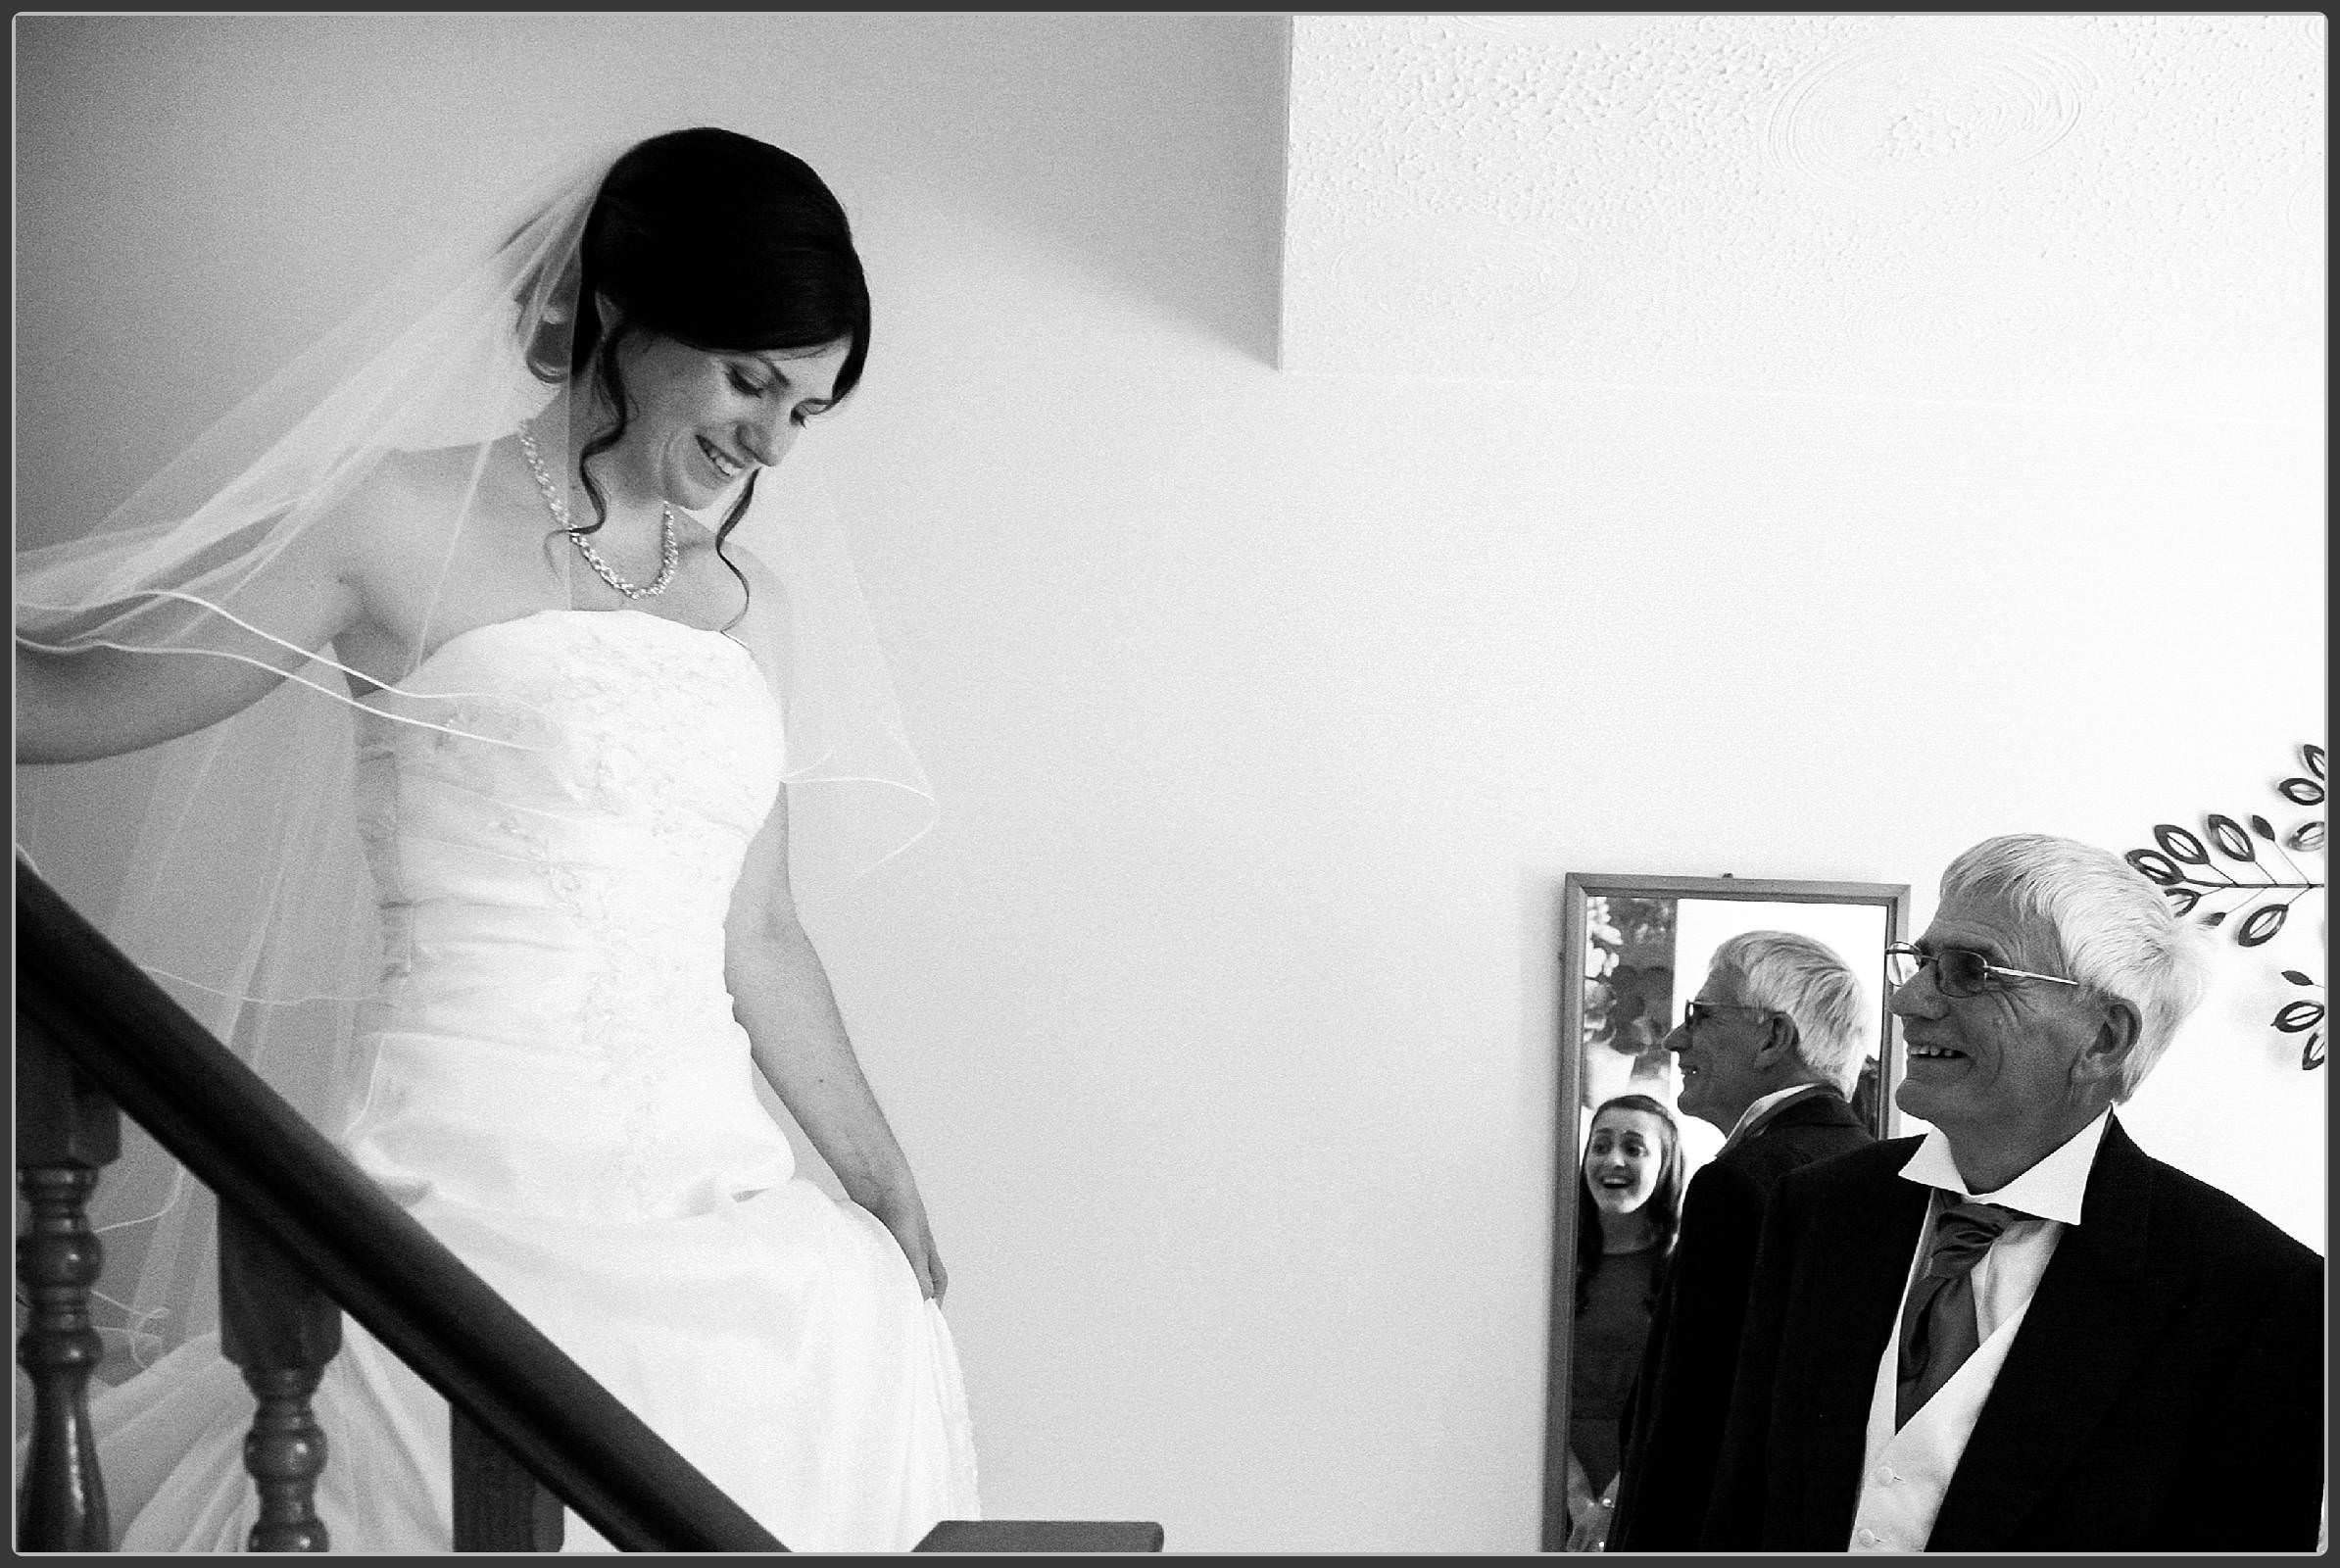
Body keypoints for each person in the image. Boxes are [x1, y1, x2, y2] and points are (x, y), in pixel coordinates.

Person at [15, 126, 978, 1550]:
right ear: (619, 313)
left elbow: (756, 929)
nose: (771, 440)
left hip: (713, 1186)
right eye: (750, 379)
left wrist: (882, 1176)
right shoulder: (394, 516)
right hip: (467, 1177)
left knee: (831, 1328)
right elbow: (87, 698)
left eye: (809, 409)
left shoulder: (745, 601)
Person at [1701, 834, 2323, 1551]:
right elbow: (1742, 1503)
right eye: (1922, 961)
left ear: (2103, 1039)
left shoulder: (2259, 1297)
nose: (1907, 999)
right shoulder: (1820, 1210)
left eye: (1970, 969)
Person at [1603, 931, 1875, 1551]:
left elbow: (1687, 1422)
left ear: (1773, 1038)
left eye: (1699, 1016)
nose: (1675, 1040)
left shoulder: (1739, 1183)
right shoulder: (1872, 1171)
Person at [1559, 1093, 1684, 1551]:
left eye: (1634, 1148)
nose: (1613, 1160)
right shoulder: (1552, 1263)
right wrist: (1573, 1493)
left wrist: (1612, 1504)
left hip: (1652, 1479)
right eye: (1601, 1145)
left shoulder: (1687, 1270)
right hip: (1547, 1473)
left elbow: (1683, 1400)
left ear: (1665, 1165)